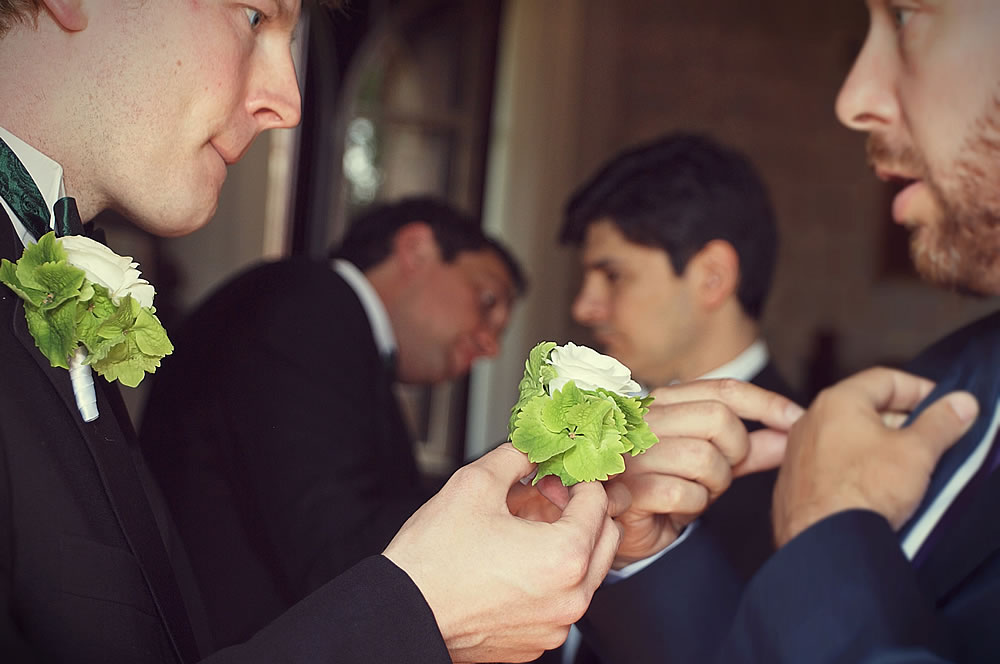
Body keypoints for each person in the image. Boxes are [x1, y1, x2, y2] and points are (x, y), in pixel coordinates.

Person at [0, 2, 808, 663]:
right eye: (255, 16)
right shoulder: (307, 308)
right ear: (418, 252)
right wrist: (433, 598)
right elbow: (329, 542)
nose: (288, 100)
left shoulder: (55, 264)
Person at [576, 1, 1000, 662]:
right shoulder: (960, 370)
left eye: (908, 15)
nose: (853, 99)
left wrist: (828, 533)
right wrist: (652, 557)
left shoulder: (818, 459)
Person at [139, 196, 527, 648]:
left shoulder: (330, 323)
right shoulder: (313, 305)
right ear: (417, 249)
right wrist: (503, 487)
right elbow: (339, 556)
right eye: (486, 301)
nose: (490, 345)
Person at [561, 132, 798, 582]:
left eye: (612, 275)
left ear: (712, 276)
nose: (583, 307)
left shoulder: (803, 473)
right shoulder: (571, 425)